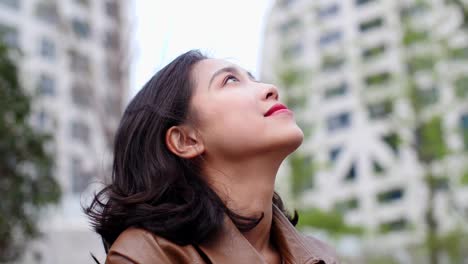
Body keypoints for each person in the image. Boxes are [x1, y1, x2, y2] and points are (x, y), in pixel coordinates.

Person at [85, 50, 339, 264]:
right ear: (186, 140)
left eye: (253, 79)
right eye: (230, 81)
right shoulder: (145, 256)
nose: (270, 89)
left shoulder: (324, 256)